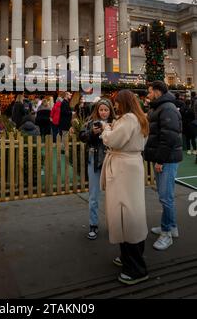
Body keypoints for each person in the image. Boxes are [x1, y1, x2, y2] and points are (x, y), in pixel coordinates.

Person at [100, 90, 149, 285]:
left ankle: (136, 268)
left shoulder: (129, 119)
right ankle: (128, 257)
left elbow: (113, 140)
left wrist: (106, 129)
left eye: (117, 102)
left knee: (125, 212)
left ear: (125, 102)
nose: (116, 106)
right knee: (130, 210)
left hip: (123, 169)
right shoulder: (138, 118)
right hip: (129, 166)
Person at [144, 80, 183, 250]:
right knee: (164, 195)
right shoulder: (159, 107)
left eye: (150, 91)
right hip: (164, 158)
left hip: (166, 159)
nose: (148, 94)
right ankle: (171, 227)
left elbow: (169, 136)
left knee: (165, 197)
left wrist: (160, 160)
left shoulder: (167, 108)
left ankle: (167, 233)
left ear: (158, 91)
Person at [79, 98, 115, 240]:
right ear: (97, 110)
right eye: (101, 109)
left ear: (110, 110)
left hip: (111, 160)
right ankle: (93, 224)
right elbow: (81, 136)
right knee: (94, 195)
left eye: (106, 110)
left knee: (113, 195)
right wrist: (92, 133)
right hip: (94, 160)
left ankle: (114, 223)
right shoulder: (90, 121)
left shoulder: (115, 122)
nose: (104, 112)